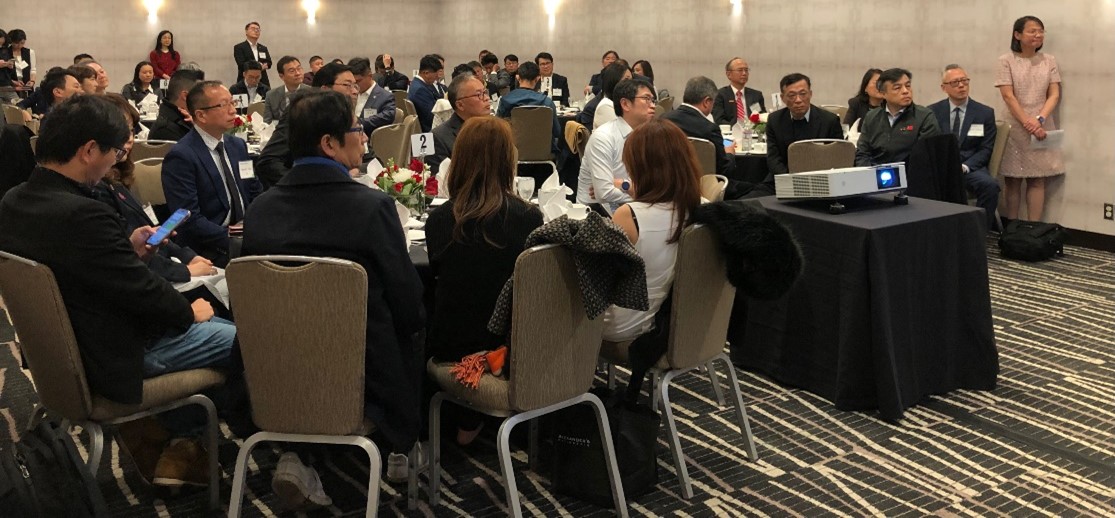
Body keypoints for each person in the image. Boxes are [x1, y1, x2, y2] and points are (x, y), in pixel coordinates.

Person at [0, 95, 235, 487]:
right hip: (115, 357)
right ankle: (197, 445)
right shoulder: (85, 212)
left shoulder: (14, 201)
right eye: (115, 151)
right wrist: (187, 312)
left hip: (59, 355)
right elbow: (142, 292)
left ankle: (172, 440)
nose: (116, 161)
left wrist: (126, 251)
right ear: (89, 150)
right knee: (247, 341)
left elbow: (83, 271)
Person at [242, 89, 426, 502]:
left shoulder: (260, 209)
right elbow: (408, 302)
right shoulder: (371, 207)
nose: (364, 137)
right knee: (413, 324)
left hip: (275, 372)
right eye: (357, 129)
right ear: (329, 143)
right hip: (361, 376)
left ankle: (296, 452)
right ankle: (402, 448)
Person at [426, 116, 544, 445]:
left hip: (457, 347)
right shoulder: (529, 217)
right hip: (511, 343)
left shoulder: (440, 220)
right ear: (508, 161)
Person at [607, 118, 702, 398]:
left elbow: (602, 279)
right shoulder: (699, 211)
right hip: (667, 321)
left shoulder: (629, 216)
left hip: (625, 324)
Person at [96, 93, 216, 283]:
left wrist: (187, 256)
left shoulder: (116, 181)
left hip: (158, 264)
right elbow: (124, 256)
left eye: (132, 131)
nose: (130, 139)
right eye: (123, 131)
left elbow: (150, 233)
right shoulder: (97, 189)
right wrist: (185, 271)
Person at [161, 81, 262, 265]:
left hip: (246, 234)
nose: (233, 110)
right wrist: (236, 240)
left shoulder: (237, 145)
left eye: (232, 102)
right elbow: (188, 219)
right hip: (209, 247)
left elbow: (254, 190)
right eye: (223, 105)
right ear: (201, 115)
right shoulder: (181, 156)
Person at [995, 15, 1062, 223]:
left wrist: (1039, 120)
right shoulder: (1006, 61)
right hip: (1015, 126)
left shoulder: (1049, 60)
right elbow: (1008, 96)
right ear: (1017, 35)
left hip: (1042, 125)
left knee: (1038, 179)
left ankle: (1034, 229)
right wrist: (1028, 122)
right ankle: (1013, 227)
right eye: (1032, 31)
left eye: (1041, 31)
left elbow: (1054, 94)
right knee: (1013, 180)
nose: (1038, 35)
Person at [256, 62, 363, 188]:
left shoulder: (350, 116)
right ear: (325, 90)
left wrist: (355, 170)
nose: (354, 91)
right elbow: (268, 162)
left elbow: (369, 158)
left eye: (355, 85)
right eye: (347, 85)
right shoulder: (303, 113)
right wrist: (303, 186)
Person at [929, 65, 1001, 230]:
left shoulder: (984, 113)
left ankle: (979, 233)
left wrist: (965, 166)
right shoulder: (932, 112)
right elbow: (931, 144)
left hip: (970, 167)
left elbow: (986, 148)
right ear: (944, 88)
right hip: (943, 167)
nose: (961, 86)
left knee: (990, 186)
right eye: (955, 83)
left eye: (964, 81)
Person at [577, 78, 657, 213]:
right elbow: (604, 193)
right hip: (597, 214)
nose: (653, 105)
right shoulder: (603, 138)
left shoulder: (649, 136)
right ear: (625, 104)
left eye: (653, 100)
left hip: (636, 209)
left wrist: (623, 185)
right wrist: (644, 194)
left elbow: (659, 183)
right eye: (646, 99)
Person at [854, 68, 940, 166]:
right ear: (883, 94)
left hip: (910, 173)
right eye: (897, 88)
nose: (905, 91)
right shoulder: (872, 117)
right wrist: (870, 173)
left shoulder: (924, 117)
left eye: (908, 86)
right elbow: (862, 153)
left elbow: (925, 157)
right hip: (876, 172)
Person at [765, 73, 844, 175]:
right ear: (782, 97)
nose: (798, 100)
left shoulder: (829, 121)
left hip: (820, 178)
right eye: (792, 95)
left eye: (803, 94)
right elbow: (773, 159)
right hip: (783, 176)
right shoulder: (775, 120)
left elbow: (838, 157)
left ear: (810, 94)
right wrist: (789, 179)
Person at [661, 76, 738, 180]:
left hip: (666, 180)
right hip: (701, 184)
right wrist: (730, 153)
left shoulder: (662, 120)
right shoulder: (710, 129)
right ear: (707, 102)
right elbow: (724, 170)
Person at [427, 75, 491, 173]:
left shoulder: (493, 129)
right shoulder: (437, 138)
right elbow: (439, 179)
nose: (487, 98)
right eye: (479, 95)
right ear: (460, 105)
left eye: (485, 92)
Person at [148, 68, 204, 141]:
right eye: (201, 95)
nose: (204, 99)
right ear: (185, 96)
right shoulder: (166, 130)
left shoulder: (187, 120)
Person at [348, 57, 396, 135]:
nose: (354, 85)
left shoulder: (386, 97)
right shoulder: (348, 92)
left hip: (370, 137)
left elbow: (388, 116)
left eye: (358, 81)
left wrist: (357, 122)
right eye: (351, 82)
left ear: (370, 76)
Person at [713, 57, 765, 127]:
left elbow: (762, 118)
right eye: (740, 70)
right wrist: (738, 129)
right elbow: (719, 120)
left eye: (746, 70)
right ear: (728, 74)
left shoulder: (756, 95)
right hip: (730, 132)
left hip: (753, 131)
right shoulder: (720, 95)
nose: (744, 73)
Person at [262, 56, 307, 123]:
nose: (298, 73)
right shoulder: (271, 95)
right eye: (292, 71)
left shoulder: (313, 93)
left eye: (299, 68)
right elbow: (267, 122)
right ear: (281, 76)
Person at [589, 63, 633, 130]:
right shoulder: (606, 106)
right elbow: (625, 132)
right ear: (614, 81)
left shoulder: (625, 102)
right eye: (627, 80)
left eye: (632, 80)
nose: (632, 84)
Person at [408, 55, 444, 133]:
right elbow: (432, 116)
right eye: (435, 75)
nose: (436, 78)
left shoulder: (417, 84)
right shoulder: (420, 90)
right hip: (428, 130)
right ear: (426, 73)